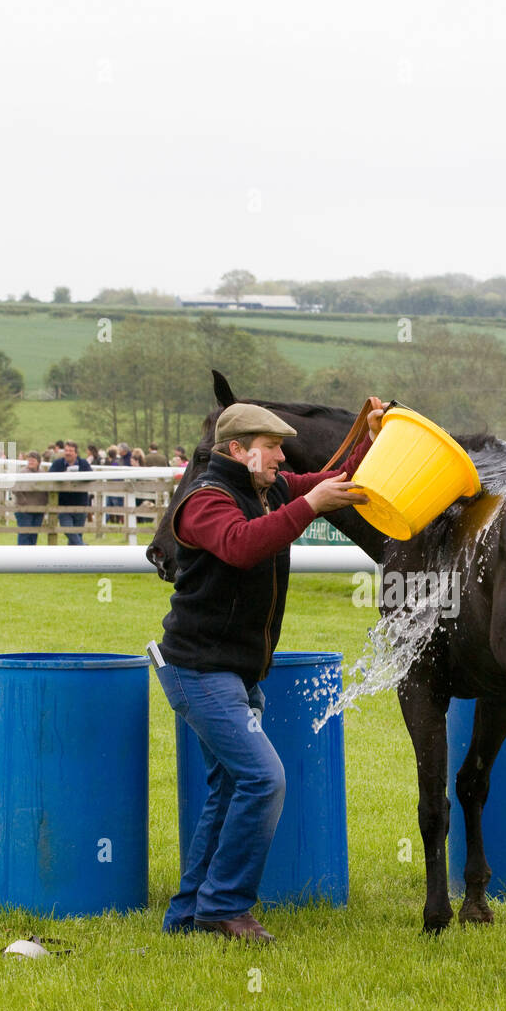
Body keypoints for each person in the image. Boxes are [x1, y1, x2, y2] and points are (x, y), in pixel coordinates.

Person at [154, 398, 383, 941]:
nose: (283, 456)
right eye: (273, 447)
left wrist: (372, 438)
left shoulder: (266, 488)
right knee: (262, 779)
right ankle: (225, 908)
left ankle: (189, 913)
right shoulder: (203, 502)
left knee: (232, 788)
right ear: (238, 451)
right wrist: (311, 506)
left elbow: (339, 477)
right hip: (200, 671)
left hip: (233, 673)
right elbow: (241, 546)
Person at [48, 439, 92, 544]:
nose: (67, 453)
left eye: (70, 451)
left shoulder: (83, 463)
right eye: (66, 450)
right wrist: (63, 476)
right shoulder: (58, 463)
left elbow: (91, 477)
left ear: (76, 453)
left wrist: (78, 477)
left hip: (80, 504)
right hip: (63, 504)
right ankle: (85, 549)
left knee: (77, 535)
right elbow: (49, 476)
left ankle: (73, 559)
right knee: (68, 530)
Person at [13, 450, 45, 544]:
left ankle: (31, 557)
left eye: (33, 460)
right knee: (25, 534)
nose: (30, 462)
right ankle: (23, 557)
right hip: (24, 510)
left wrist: (45, 502)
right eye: (29, 460)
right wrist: (23, 501)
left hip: (38, 509)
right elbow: (15, 488)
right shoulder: (22, 472)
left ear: (38, 462)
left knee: (34, 535)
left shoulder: (43, 474)